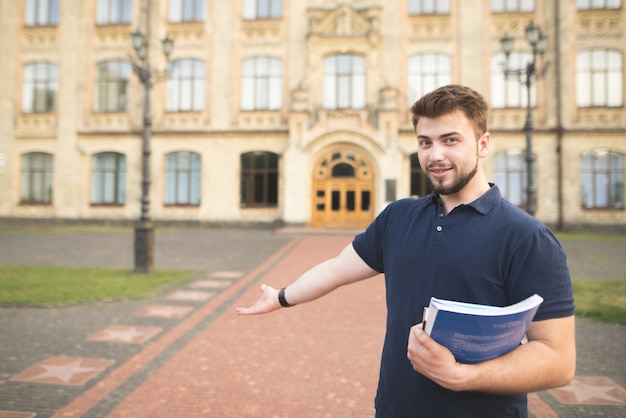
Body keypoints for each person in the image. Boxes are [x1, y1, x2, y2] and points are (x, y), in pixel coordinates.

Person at [237, 84, 576, 417]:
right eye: (425, 142)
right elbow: (336, 269)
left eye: (451, 140)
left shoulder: (526, 237)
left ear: (483, 144)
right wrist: (281, 296)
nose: (435, 155)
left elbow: (558, 360)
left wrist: (464, 377)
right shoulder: (399, 217)